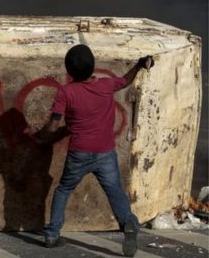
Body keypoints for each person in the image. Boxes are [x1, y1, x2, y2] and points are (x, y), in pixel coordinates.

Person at [29, 44, 153, 257]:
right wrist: (139, 65)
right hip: (105, 153)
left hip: (79, 153)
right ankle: (128, 223)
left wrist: (39, 136)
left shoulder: (66, 93)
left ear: (69, 70)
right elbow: (125, 80)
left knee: (64, 190)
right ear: (93, 65)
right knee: (114, 190)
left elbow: (53, 125)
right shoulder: (106, 85)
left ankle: (51, 234)